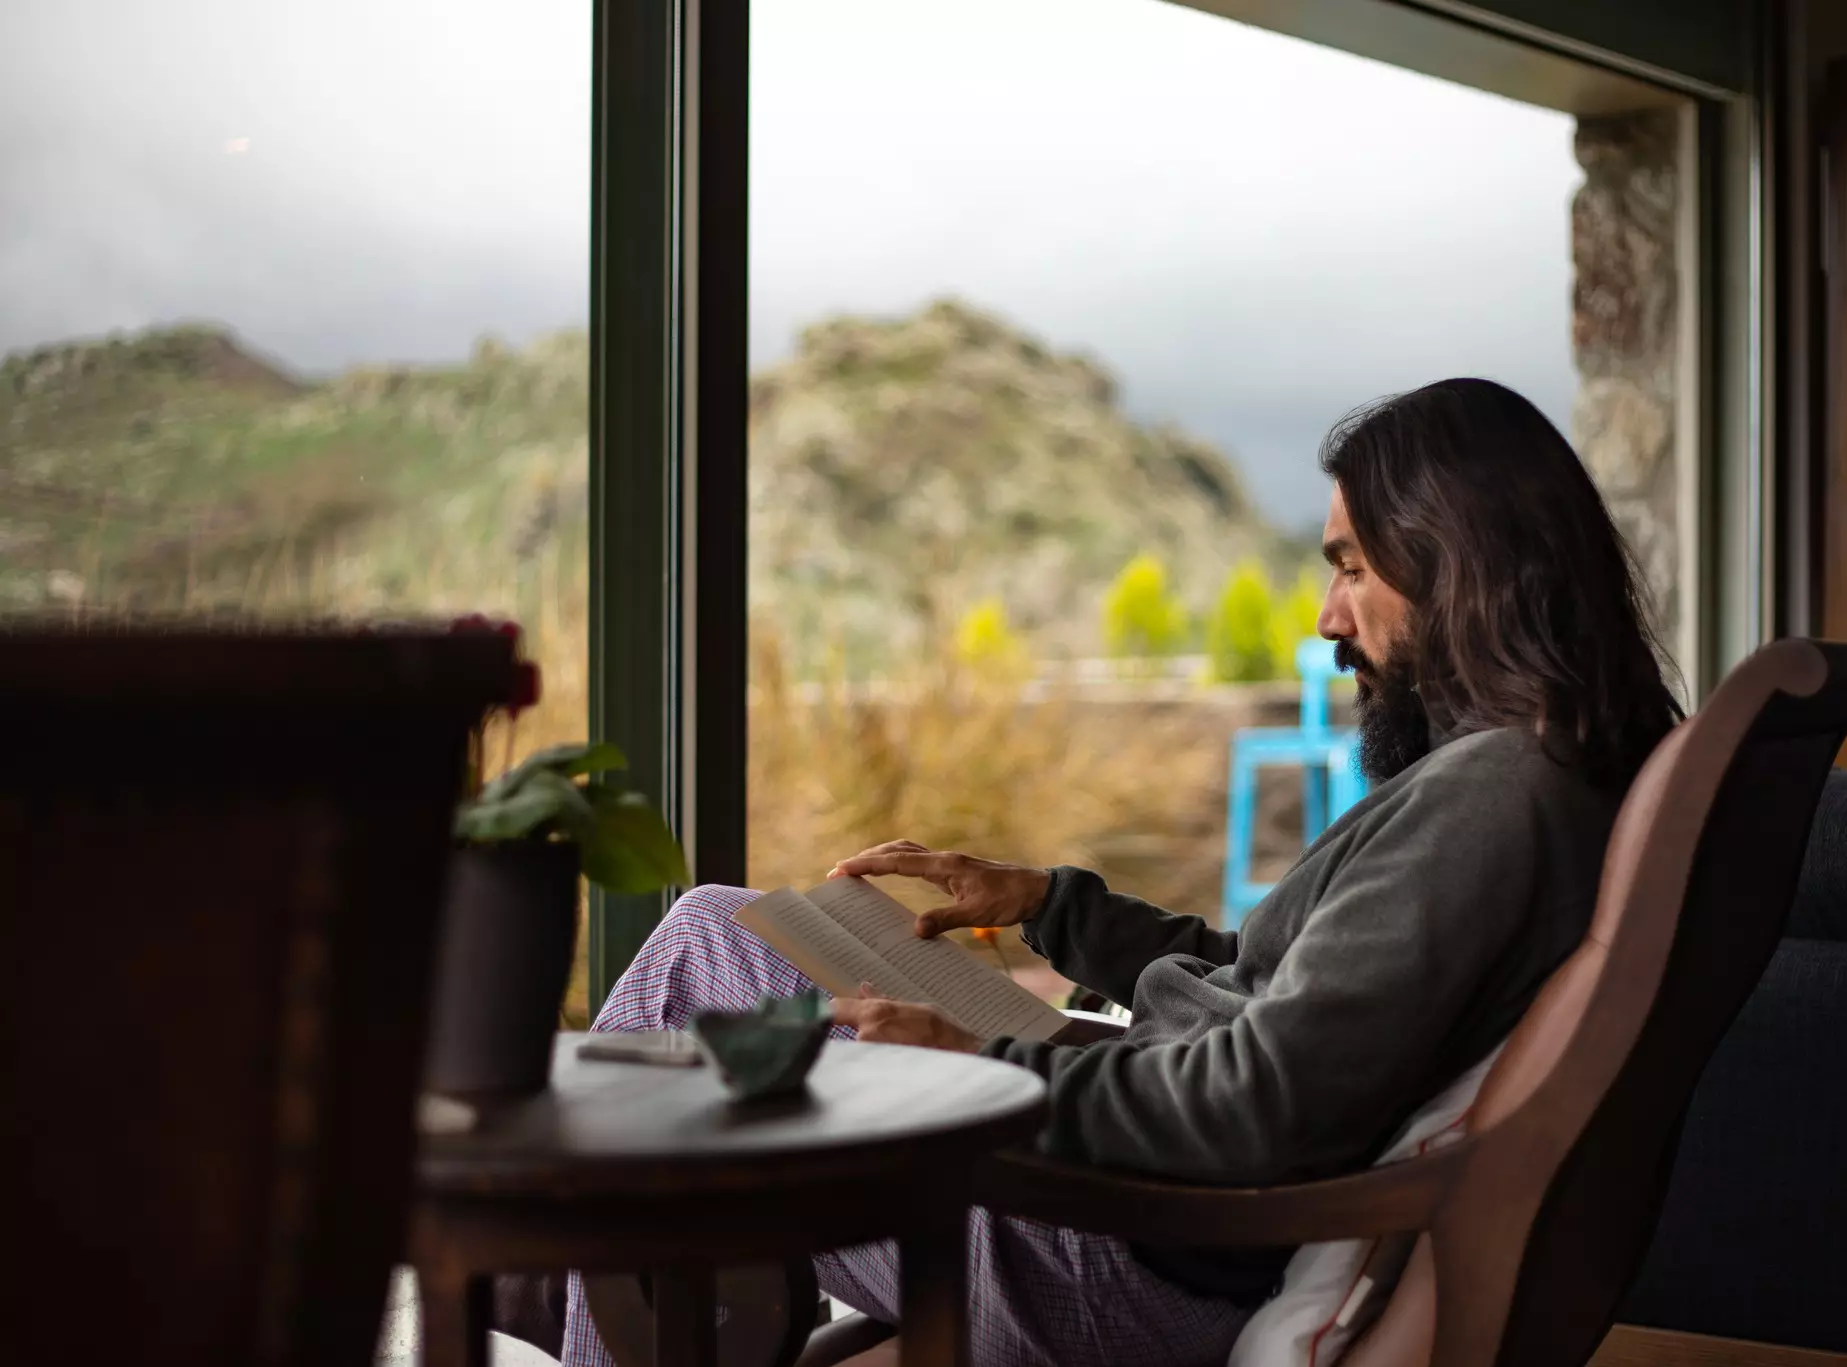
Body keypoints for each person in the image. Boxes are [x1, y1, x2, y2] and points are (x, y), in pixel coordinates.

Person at [559, 377, 1682, 1367]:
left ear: (1455, 556)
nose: (1330, 615)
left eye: (1349, 566)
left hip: (1120, 1254)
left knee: (707, 940)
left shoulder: (1493, 801)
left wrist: (981, 1067)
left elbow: (1260, 1101)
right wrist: (1052, 906)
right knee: (733, 969)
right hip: (1144, 1202)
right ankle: (594, 1277)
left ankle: (534, 1264)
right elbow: (1271, 992)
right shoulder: (1551, 777)